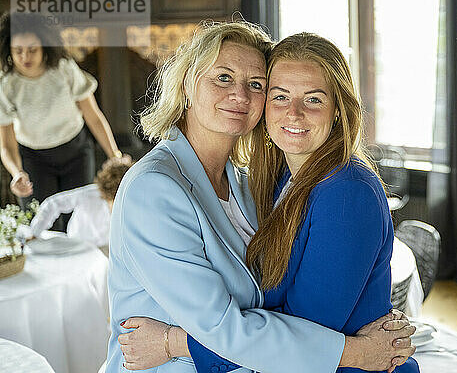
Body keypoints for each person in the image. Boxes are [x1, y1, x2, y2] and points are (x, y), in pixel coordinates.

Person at [107, 21, 415, 373]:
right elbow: (231, 323)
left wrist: (174, 341)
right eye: (223, 77)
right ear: (187, 85)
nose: (239, 95)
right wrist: (357, 352)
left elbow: (305, 323)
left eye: (255, 84)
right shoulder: (156, 189)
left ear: (338, 111)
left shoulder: (331, 189)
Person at [0, 12, 124, 220]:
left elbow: (93, 117)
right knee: (38, 222)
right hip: (34, 159)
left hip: (75, 153)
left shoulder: (64, 69)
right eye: (18, 51)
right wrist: (17, 173)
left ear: (44, 47)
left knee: (79, 221)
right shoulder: (6, 84)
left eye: (32, 50)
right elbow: (6, 144)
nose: (25, 57)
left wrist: (115, 156)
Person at [24, 157, 133, 247]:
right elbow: (53, 204)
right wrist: (35, 232)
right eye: (114, 200)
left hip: (105, 250)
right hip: (76, 245)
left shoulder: (132, 203)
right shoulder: (88, 194)